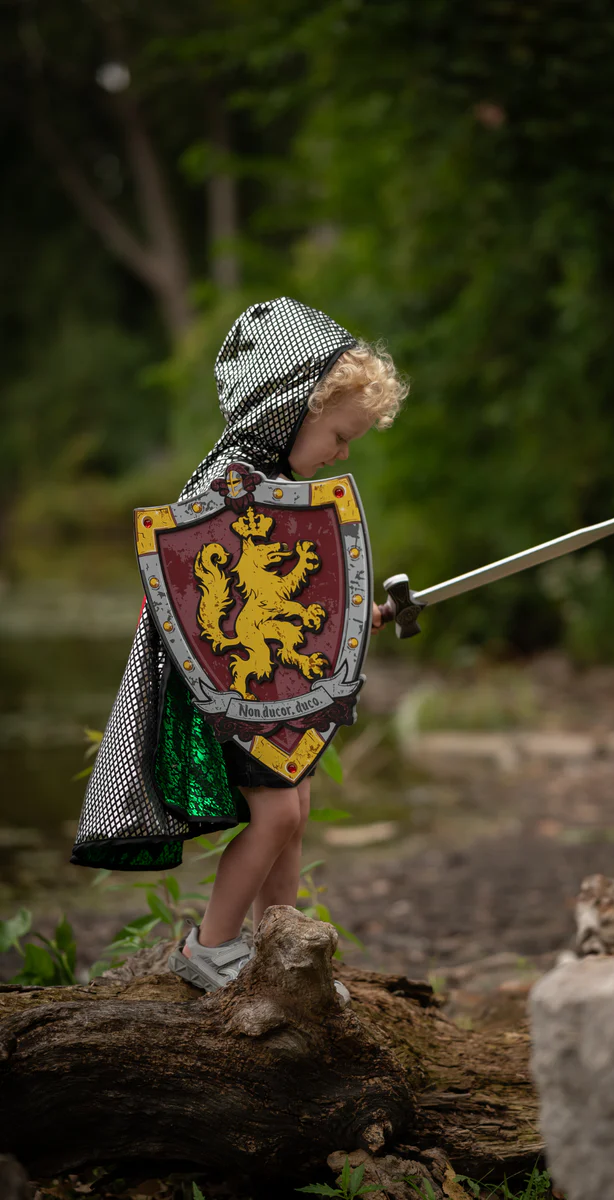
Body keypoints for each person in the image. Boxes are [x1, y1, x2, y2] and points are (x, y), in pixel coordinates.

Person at [71, 298, 407, 993]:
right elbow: (195, 588)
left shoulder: (277, 482)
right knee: (278, 811)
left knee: (296, 811)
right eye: (340, 436)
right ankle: (209, 947)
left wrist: (350, 615)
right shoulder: (231, 483)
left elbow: (299, 594)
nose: (343, 454)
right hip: (229, 686)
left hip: (269, 680)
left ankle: (279, 953)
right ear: (294, 408)